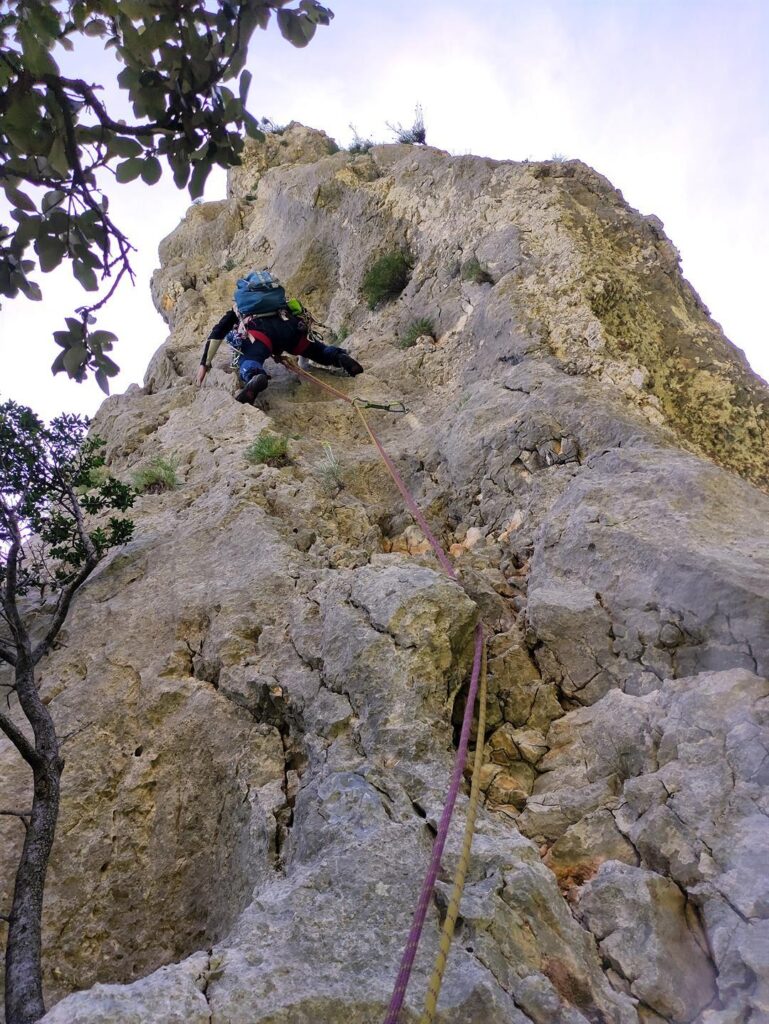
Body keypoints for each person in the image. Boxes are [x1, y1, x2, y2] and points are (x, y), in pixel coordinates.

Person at [196, 304, 363, 404]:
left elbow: (218, 332)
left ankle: (255, 376)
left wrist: (205, 363)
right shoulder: (279, 301)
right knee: (319, 351)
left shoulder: (238, 308)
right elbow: (300, 315)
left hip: (260, 335)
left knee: (250, 359)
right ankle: (338, 357)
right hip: (289, 328)